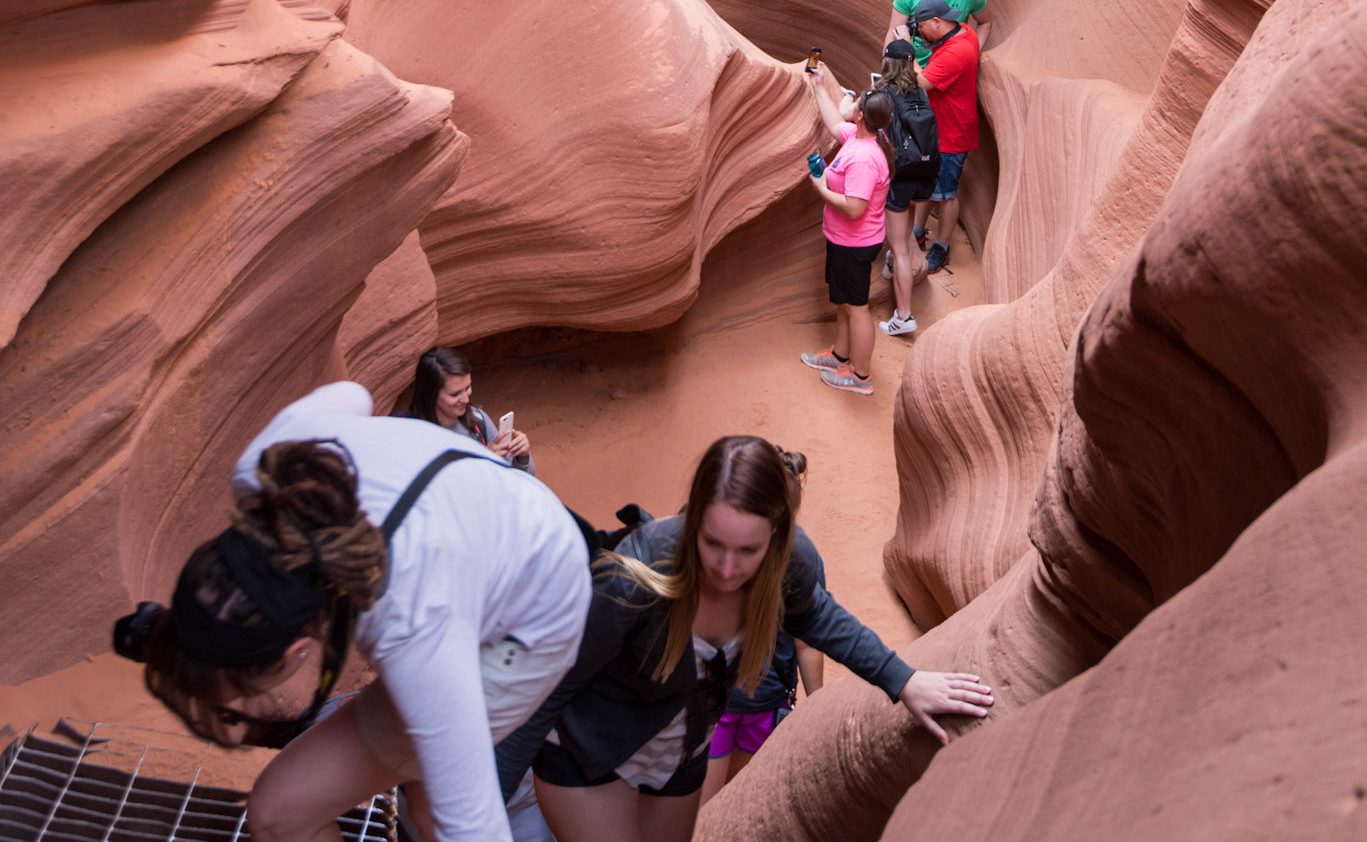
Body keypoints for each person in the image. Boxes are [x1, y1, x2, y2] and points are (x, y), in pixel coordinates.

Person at [115, 380, 591, 842]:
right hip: (490, 517)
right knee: (418, 792)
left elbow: (473, 826)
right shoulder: (263, 470)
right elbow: (352, 395)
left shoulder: (412, 626)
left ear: (300, 650)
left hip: (537, 611)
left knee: (290, 813)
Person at [495, 436, 993, 841]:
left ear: (776, 535)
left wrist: (903, 680)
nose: (728, 569)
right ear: (693, 519)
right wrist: (481, 809)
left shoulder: (789, 560)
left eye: (748, 551)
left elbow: (817, 617)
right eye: (712, 543)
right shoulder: (634, 580)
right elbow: (545, 691)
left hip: (679, 754)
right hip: (590, 754)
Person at [698, 450, 824, 810]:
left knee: (733, 803)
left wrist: (818, 707)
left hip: (764, 704)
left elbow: (807, 639)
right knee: (704, 810)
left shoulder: (801, 557)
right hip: (716, 702)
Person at [799, 78, 894, 396]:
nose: (850, 107)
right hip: (843, 240)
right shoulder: (857, 136)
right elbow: (833, 122)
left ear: (861, 115)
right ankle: (840, 355)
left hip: (855, 243)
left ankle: (861, 376)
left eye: (856, 104)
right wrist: (817, 85)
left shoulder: (865, 159)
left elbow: (855, 208)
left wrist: (821, 188)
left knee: (857, 307)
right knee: (844, 302)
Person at [908, 0, 982, 273]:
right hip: (939, 127)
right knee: (928, 182)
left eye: (922, 27)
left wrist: (908, 52)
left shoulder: (956, 51)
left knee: (947, 194)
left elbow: (921, 82)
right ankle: (917, 231)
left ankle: (942, 247)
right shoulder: (964, 30)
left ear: (937, 22)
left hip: (952, 133)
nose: (920, 32)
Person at [877, 42, 941, 336]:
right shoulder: (922, 93)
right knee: (903, 233)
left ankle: (903, 316)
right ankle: (892, 262)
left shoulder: (883, 95)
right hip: (925, 174)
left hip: (900, 175)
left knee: (901, 250)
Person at [401, 346, 534, 471]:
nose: (466, 399)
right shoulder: (411, 439)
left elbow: (517, 480)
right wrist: (482, 461)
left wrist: (522, 458)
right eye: (455, 394)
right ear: (430, 394)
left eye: (467, 388)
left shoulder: (478, 419)